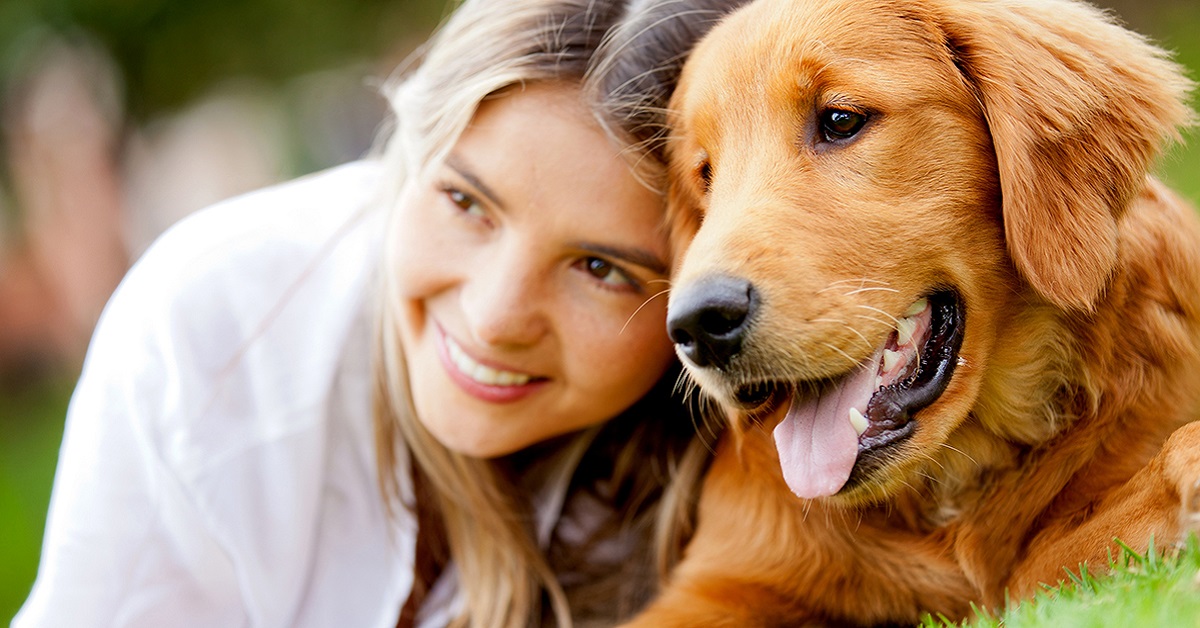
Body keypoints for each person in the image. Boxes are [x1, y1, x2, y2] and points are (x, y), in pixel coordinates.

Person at [12, 0, 751, 625]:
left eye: (602, 269)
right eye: (466, 202)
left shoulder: (736, 457)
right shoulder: (214, 334)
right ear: (409, 153)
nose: (495, 316)